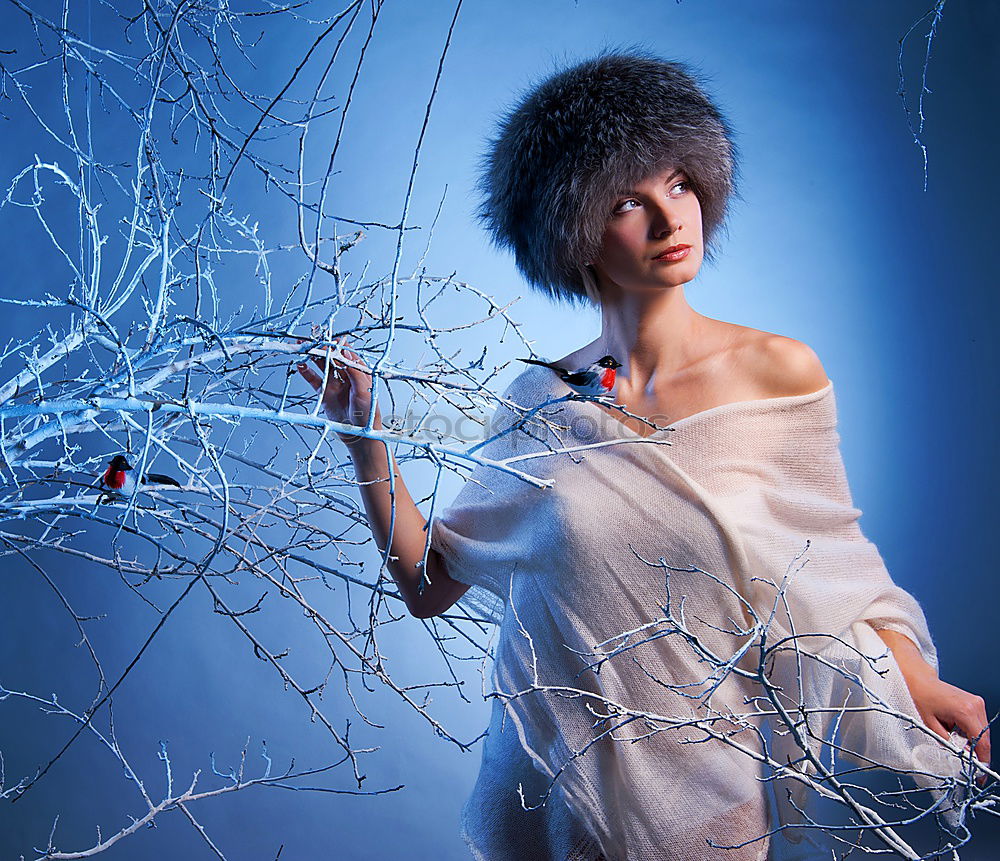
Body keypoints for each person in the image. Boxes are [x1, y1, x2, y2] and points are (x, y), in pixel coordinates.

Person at [297, 48, 990, 860]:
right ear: (574, 229)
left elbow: (840, 575)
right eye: (630, 200)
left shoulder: (778, 375)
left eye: (681, 183)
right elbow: (427, 582)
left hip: (712, 805)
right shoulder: (540, 404)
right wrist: (361, 436)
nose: (670, 220)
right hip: (552, 805)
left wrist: (918, 679)